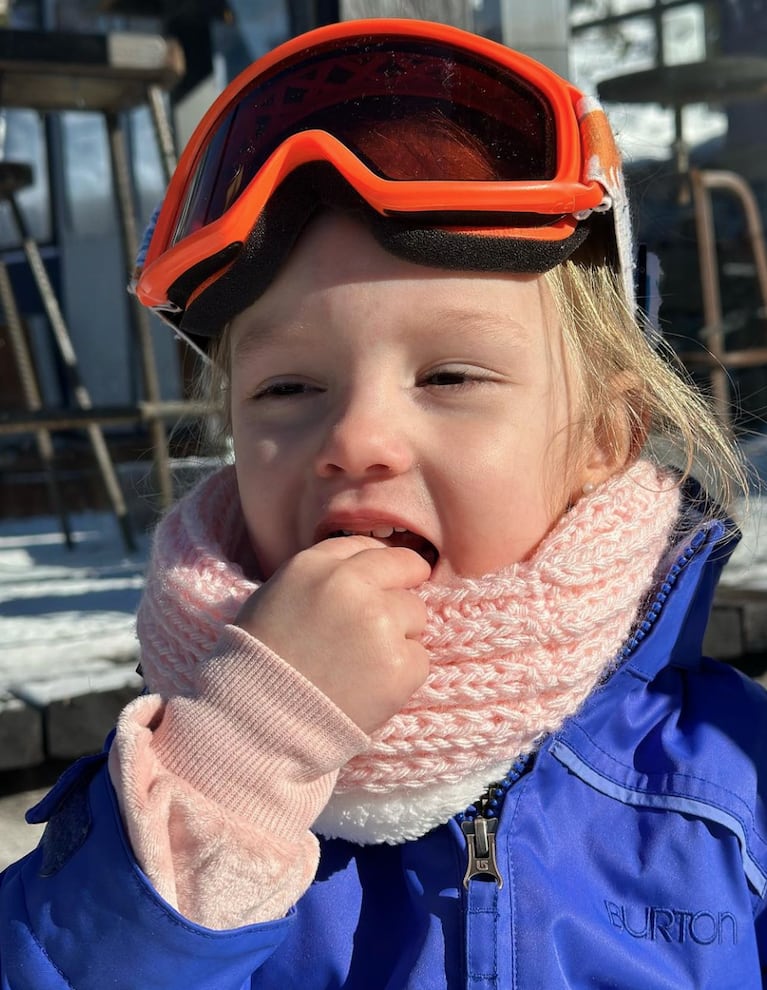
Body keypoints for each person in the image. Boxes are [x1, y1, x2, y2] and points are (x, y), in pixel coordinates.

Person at [1, 17, 765, 989]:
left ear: (601, 442)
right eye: (288, 390)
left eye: (446, 375)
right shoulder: (175, 777)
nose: (354, 441)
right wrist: (239, 760)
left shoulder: (726, 781)